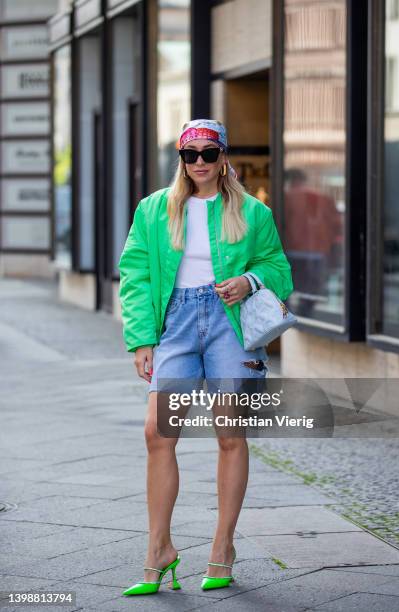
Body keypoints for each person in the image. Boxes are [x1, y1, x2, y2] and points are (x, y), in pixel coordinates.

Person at [118, 119, 293, 595]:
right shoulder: (154, 210)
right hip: (174, 324)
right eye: (190, 154)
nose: (199, 162)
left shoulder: (252, 212)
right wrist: (141, 339)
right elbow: (134, 276)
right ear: (180, 159)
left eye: (208, 153)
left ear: (223, 158)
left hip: (229, 326)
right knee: (158, 431)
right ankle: (160, 550)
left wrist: (250, 282)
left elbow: (279, 267)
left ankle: (223, 546)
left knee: (230, 435)